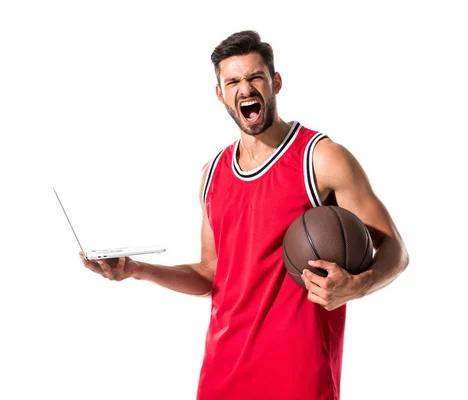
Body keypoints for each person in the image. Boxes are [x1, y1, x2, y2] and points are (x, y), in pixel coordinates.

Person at [79, 30, 409, 400]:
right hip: (222, 374)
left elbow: (396, 249)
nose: (246, 88)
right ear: (220, 94)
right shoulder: (212, 174)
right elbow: (210, 274)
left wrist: (357, 285)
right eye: (233, 81)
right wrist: (136, 270)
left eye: (255, 77)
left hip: (298, 375)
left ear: (275, 82)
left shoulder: (319, 158)